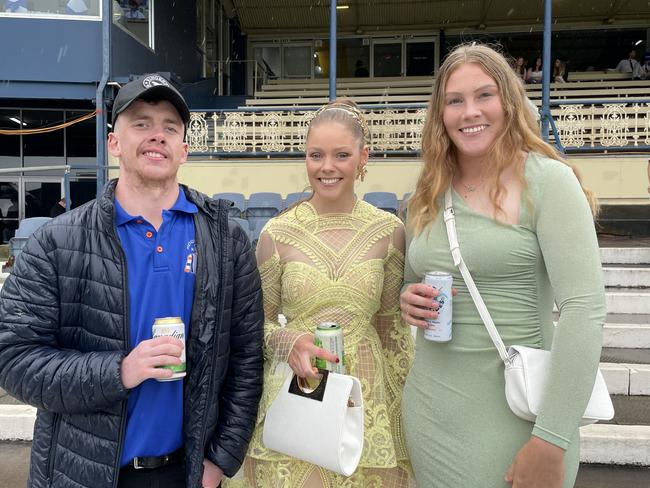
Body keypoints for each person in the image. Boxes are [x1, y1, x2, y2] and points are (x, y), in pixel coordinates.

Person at [0, 74, 265, 488]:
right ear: (114, 143)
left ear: (184, 150)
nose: (156, 135)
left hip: (188, 472)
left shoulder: (225, 239)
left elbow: (247, 358)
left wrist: (220, 461)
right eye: (141, 123)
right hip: (82, 472)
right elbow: (13, 359)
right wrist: (119, 371)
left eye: (169, 128)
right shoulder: (56, 243)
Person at [400, 44, 605, 488]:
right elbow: (412, 282)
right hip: (431, 411)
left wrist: (551, 439)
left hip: (520, 417)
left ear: (509, 102)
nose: (469, 112)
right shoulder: (427, 192)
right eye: (454, 101)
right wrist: (408, 299)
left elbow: (584, 313)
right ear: (440, 114)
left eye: (484, 95)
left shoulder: (549, 182)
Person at [230, 99, 414, 488]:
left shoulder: (390, 231)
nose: (326, 167)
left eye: (341, 155)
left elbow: (391, 332)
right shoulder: (276, 235)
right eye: (316, 155)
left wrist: (403, 422)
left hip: (366, 400)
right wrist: (286, 340)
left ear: (364, 158)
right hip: (299, 394)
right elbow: (251, 328)